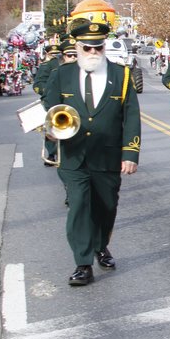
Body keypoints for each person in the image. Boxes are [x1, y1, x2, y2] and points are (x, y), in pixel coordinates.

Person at [42, 19, 141, 286]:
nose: (93, 53)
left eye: (98, 47)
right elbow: (50, 108)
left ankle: (100, 245)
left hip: (107, 155)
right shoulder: (61, 75)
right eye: (87, 48)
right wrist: (49, 130)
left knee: (105, 207)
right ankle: (83, 263)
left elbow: (131, 115)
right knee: (79, 206)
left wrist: (130, 153)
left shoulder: (121, 75)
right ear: (77, 47)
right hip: (74, 154)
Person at [33, 43, 62, 165]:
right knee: (51, 126)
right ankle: (51, 153)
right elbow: (38, 84)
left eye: (57, 54)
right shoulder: (47, 66)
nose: (54, 56)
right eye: (52, 54)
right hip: (51, 100)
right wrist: (49, 92)